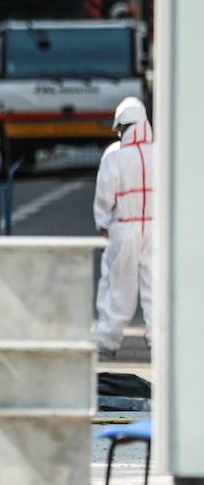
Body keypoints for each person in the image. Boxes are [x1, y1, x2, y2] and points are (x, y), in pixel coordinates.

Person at [92, 100, 154, 357]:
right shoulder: (162, 152)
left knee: (117, 284)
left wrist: (103, 223)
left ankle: (107, 339)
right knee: (156, 283)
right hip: (155, 226)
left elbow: (104, 197)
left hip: (124, 226)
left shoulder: (114, 156)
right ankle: (158, 336)